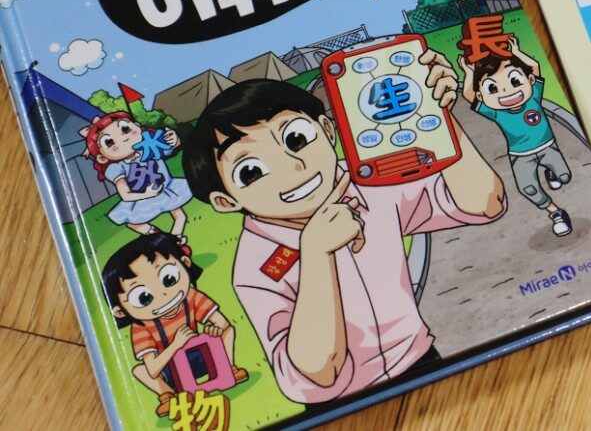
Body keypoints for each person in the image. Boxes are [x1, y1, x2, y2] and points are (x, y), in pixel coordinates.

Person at [183, 65, 505, 405]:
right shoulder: (258, 267)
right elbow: (317, 372)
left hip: (422, 362)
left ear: (327, 131)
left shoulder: (365, 182)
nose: (293, 167)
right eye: (251, 171)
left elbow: (483, 203)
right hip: (345, 404)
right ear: (227, 201)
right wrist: (316, 251)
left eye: (296, 139)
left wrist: (440, 119)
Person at [101, 233, 247, 417]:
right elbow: (153, 369)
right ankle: (168, 395)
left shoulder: (191, 297)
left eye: (169, 279)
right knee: (139, 370)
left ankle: (229, 369)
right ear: (120, 311)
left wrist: (215, 330)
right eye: (144, 297)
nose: (163, 295)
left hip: (204, 356)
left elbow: (224, 325)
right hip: (170, 371)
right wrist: (176, 344)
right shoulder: (141, 327)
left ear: (185, 263)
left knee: (228, 331)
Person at [460, 36, 573, 237]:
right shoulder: (495, 112)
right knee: (528, 188)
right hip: (521, 156)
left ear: (529, 81)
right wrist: (468, 72)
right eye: (493, 88)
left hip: (547, 146)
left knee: (565, 176)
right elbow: (468, 94)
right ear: (481, 96)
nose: (507, 91)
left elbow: (534, 67)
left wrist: (516, 52)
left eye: (514, 81)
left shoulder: (533, 96)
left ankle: (551, 172)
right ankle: (555, 212)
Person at [82, 112, 191, 240]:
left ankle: (176, 240)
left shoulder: (150, 147)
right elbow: (125, 194)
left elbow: (170, 146)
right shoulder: (117, 168)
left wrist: (174, 140)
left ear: (137, 126)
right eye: (109, 142)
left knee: (179, 216)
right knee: (132, 223)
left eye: (125, 129)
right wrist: (148, 193)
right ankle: (155, 234)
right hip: (142, 198)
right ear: (102, 158)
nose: (123, 138)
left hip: (166, 189)